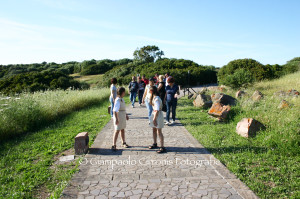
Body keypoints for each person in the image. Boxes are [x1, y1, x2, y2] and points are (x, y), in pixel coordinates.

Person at [148, 86, 166, 153]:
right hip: (154, 114)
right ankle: (155, 143)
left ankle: (162, 146)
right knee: (154, 130)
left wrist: (154, 119)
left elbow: (157, 110)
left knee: (159, 131)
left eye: (149, 91)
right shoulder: (154, 98)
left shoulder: (157, 99)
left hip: (157, 115)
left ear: (151, 91)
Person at [112, 87, 130, 151]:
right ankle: (114, 145)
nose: (124, 93)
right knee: (117, 130)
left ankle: (123, 142)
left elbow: (123, 108)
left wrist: (126, 115)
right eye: (124, 92)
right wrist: (116, 119)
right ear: (122, 92)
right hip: (118, 116)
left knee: (122, 129)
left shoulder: (122, 99)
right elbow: (115, 110)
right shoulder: (117, 100)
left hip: (122, 115)